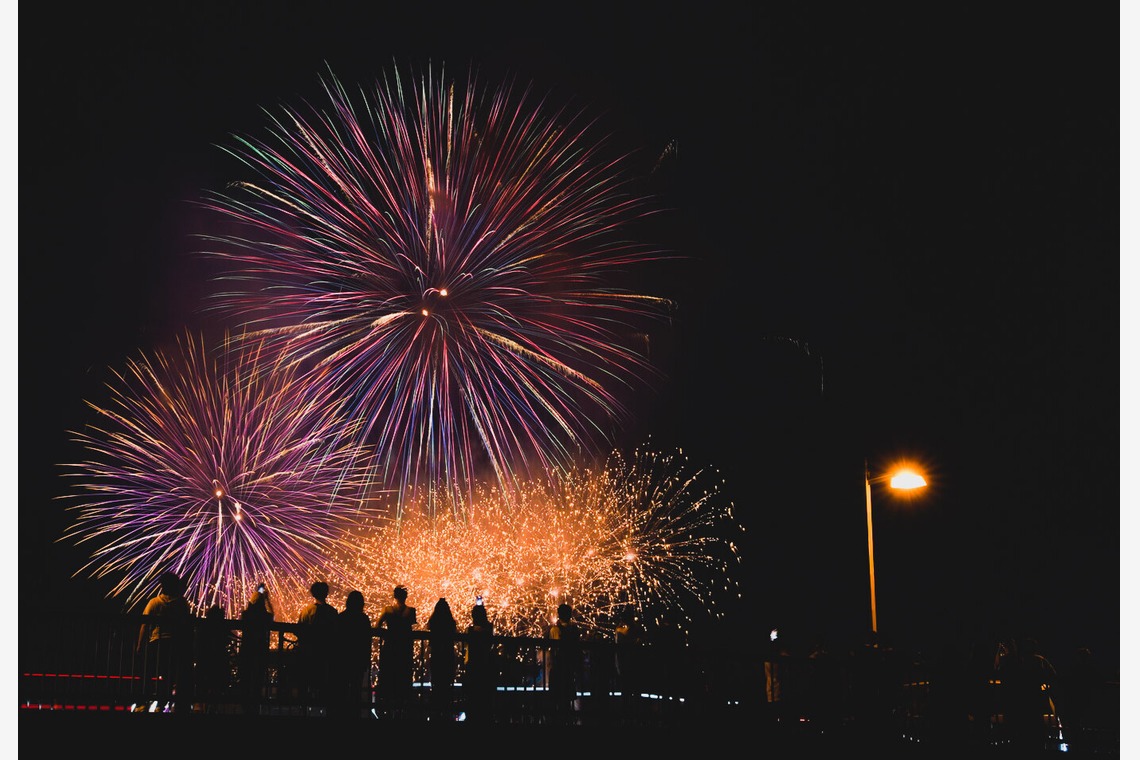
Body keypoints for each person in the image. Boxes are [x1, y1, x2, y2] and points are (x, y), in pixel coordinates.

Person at [136, 571, 193, 713]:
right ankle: (162, 704)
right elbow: (187, 627)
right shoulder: (182, 604)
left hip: (156, 643)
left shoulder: (154, 602)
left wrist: (140, 645)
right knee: (169, 676)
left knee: (147, 673)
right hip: (175, 645)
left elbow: (144, 625)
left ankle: (143, 702)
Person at [295, 580, 338, 708]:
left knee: (306, 679)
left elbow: (299, 630)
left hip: (308, 651)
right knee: (324, 681)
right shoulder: (332, 612)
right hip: (326, 653)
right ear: (326, 594)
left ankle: (303, 707)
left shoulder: (306, 611)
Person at [375, 585, 416, 716]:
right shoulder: (411, 611)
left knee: (388, 675)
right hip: (404, 649)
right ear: (406, 596)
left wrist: (386, 634)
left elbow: (377, 626)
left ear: (394, 596)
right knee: (403, 677)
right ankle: (402, 708)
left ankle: (387, 707)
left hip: (390, 647)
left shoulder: (388, 610)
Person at [332, 590, 373, 719]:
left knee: (342, 689)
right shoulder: (363, 619)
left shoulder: (341, 617)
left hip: (343, 659)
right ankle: (355, 715)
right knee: (356, 689)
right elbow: (367, 641)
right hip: (357, 660)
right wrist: (366, 658)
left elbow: (336, 639)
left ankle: (341, 715)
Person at [238, 583, 274, 716]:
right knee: (258, 679)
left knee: (245, 678)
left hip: (247, 649)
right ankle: (255, 708)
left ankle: (245, 708)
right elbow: (272, 616)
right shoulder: (265, 617)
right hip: (260, 649)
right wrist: (267, 600)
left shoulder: (246, 614)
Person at [194, 604, 235, 712]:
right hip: (218, 662)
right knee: (217, 686)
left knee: (204, 686)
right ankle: (214, 707)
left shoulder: (203, 628)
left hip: (205, 662)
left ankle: (202, 706)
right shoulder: (222, 629)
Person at [546, 602, 581, 721]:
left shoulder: (555, 629)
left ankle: (557, 719)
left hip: (559, 667)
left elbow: (553, 649)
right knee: (564, 698)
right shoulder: (573, 630)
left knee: (558, 697)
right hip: (565, 667)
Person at [426, 597, 458, 720]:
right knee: (447, 684)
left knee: (436, 683)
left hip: (437, 656)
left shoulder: (434, 622)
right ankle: (446, 712)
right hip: (448, 656)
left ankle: (436, 711)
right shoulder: (450, 623)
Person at [463, 601, 495, 723]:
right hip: (485, 666)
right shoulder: (489, 628)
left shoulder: (471, 630)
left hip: (474, 665)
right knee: (484, 698)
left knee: (473, 697)